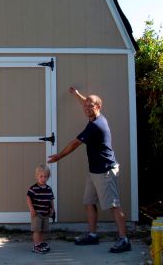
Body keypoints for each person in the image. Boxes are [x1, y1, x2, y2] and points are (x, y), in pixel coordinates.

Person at [47, 86, 131, 253]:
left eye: (90, 106)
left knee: (114, 205)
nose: (86, 108)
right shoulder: (95, 116)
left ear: (98, 107)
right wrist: (77, 95)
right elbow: (87, 103)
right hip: (94, 171)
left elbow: (75, 143)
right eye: (85, 106)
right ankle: (92, 236)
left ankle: (124, 240)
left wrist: (59, 156)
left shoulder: (96, 126)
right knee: (89, 202)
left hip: (105, 170)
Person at [26, 164, 55, 254]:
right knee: (37, 229)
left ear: (48, 177)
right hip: (37, 213)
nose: (43, 178)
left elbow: (51, 200)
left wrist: (52, 209)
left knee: (42, 230)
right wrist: (31, 209)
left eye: (45, 176)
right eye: (41, 176)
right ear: (37, 177)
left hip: (45, 213)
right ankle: (36, 245)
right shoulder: (33, 188)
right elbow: (28, 198)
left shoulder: (49, 189)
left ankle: (41, 243)